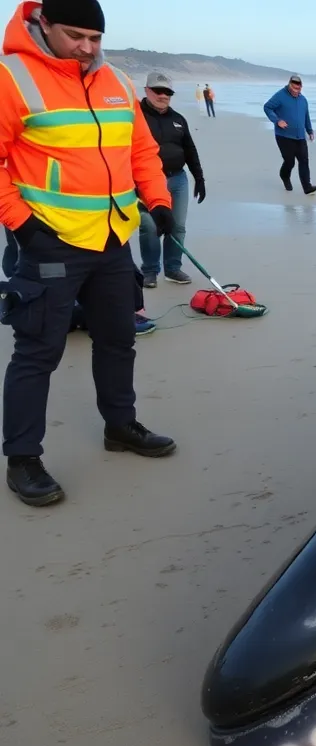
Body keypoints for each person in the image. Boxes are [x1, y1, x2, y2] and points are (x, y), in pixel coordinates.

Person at [0, 0, 178, 507]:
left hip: (111, 240)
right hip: (50, 239)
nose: (87, 48)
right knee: (38, 353)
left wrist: (158, 201)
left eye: (95, 38)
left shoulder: (116, 80)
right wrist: (23, 225)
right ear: (44, 25)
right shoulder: (12, 77)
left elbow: (139, 150)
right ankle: (23, 458)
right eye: (75, 35)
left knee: (119, 339)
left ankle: (120, 426)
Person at [136, 71, 205, 288]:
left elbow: (190, 150)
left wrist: (199, 178)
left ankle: (173, 268)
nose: (163, 95)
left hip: (178, 180)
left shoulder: (178, 119)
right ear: (146, 90)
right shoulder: (135, 117)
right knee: (149, 227)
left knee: (177, 227)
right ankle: (149, 271)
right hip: (146, 182)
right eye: (158, 91)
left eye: (167, 92)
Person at [263, 74, 316, 194]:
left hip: (300, 136)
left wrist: (310, 130)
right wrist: (277, 121)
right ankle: (284, 176)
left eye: (298, 89)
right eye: (293, 89)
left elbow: (306, 116)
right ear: (289, 85)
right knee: (290, 161)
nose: (295, 91)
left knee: (304, 161)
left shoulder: (303, 100)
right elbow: (267, 107)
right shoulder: (280, 95)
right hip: (284, 136)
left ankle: (307, 187)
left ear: (301, 87)